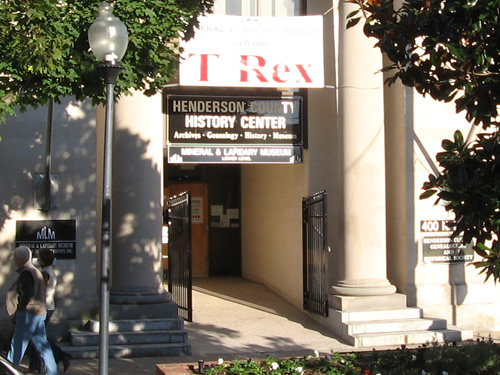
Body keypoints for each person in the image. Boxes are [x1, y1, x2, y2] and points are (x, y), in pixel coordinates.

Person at [5, 246, 57, 375]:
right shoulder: (35, 271)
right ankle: (52, 371)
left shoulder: (27, 272)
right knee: (42, 345)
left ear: (20, 258)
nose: (13, 260)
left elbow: (26, 294)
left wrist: (21, 308)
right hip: (39, 312)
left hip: (29, 313)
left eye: (15, 257)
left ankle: (9, 370)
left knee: (17, 344)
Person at [29, 248, 71, 373]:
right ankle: (37, 365)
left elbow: (39, 291)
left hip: (43, 308)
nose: (37, 259)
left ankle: (54, 356)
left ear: (43, 259)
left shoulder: (45, 273)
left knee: (37, 338)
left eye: (39, 257)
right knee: (38, 337)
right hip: (48, 306)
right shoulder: (49, 271)